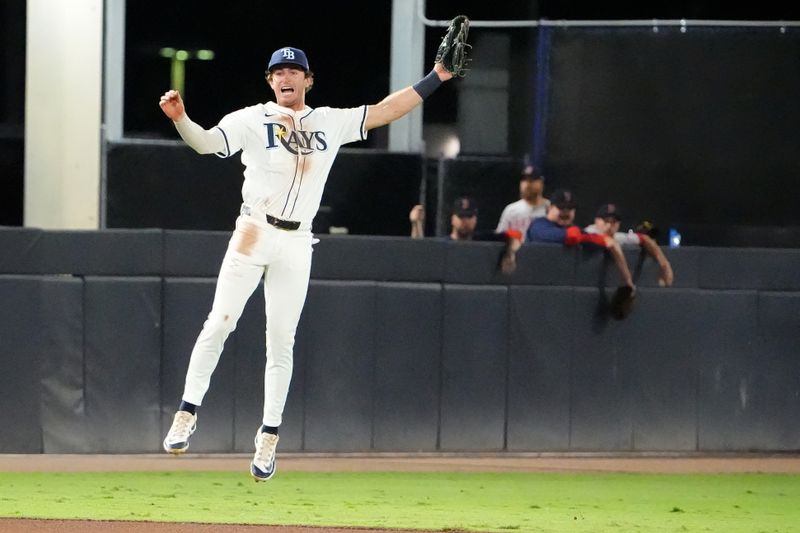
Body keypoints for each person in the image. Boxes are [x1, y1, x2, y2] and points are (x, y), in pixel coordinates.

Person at [158, 46, 457, 481]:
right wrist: (181, 119)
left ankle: (269, 437)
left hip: (297, 239)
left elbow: (387, 110)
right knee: (219, 322)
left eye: (293, 71)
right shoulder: (250, 119)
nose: (285, 77)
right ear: (269, 81)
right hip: (253, 229)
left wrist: (437, 76)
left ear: (308, 80)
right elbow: (205, 144)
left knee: (281, 340)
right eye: (278, 71)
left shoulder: (328, 122)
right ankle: (187, 413)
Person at [527, 189, 635, 289]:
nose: (566, 212)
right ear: (549, 208)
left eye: (570, 209)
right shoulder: (538, 225)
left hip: (563, 286)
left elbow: (609, 243)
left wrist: (627, 279)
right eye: (561, 208)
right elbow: (555, 236)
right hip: (533, 284)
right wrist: (580, 236)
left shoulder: (577, 230)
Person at [409, 197, 522, 273]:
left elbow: (516, 234)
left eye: (469, 217)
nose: (465, 221)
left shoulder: (484, 239)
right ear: (453, 219)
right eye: (461, 217)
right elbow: (418, 252)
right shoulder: (443, 244)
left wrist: (510, 253)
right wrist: (416, 224)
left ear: (475, 219)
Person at [584, 203, 674, 287]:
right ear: (596, 221)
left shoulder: (616, 237)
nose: (609, 225)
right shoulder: (589, 231)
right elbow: (611, 244)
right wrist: (628, 281)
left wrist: (665, 265)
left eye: (614, 221)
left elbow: (644, 239)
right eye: (606, 220)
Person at [495, 164, 549, 239]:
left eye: (531, 180)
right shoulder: (511, 209)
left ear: (541, 183)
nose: (527, 184)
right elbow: (499, 238)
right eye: (524, 180)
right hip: (517, 249)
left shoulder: (550, 208)